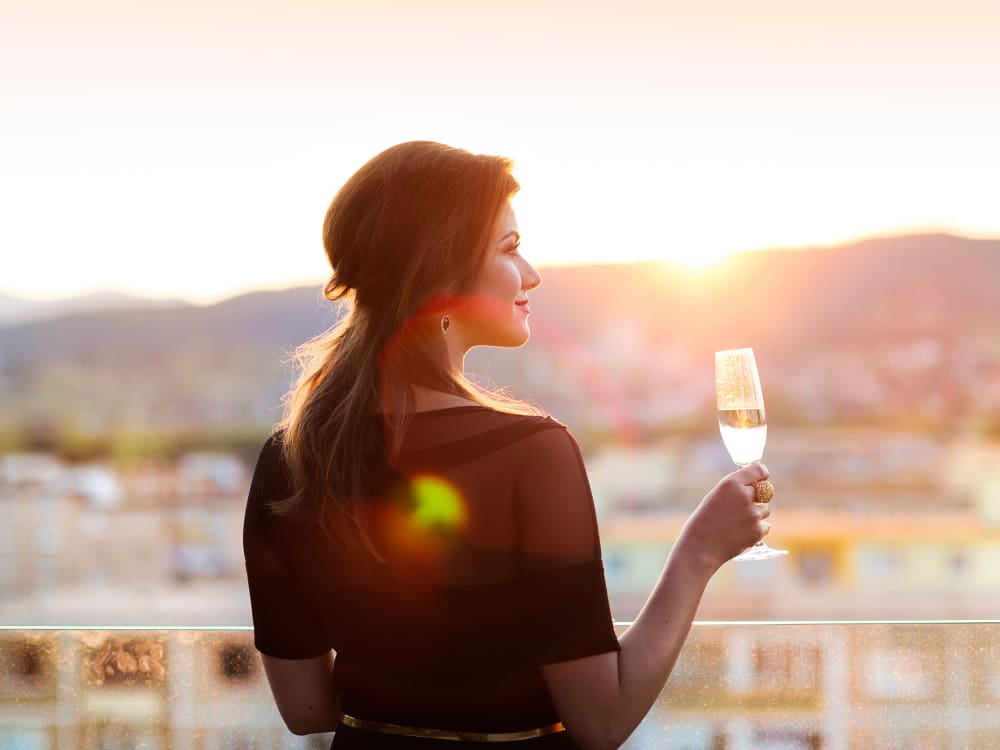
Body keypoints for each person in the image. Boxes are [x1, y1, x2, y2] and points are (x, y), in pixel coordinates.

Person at [242, 141, 772, 749]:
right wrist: (699, 553)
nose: (532, 274)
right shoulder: (531, 453)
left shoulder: (289, 457)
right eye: (510, 247)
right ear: (441, 271)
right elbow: (602, 719)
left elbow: (306, 707)